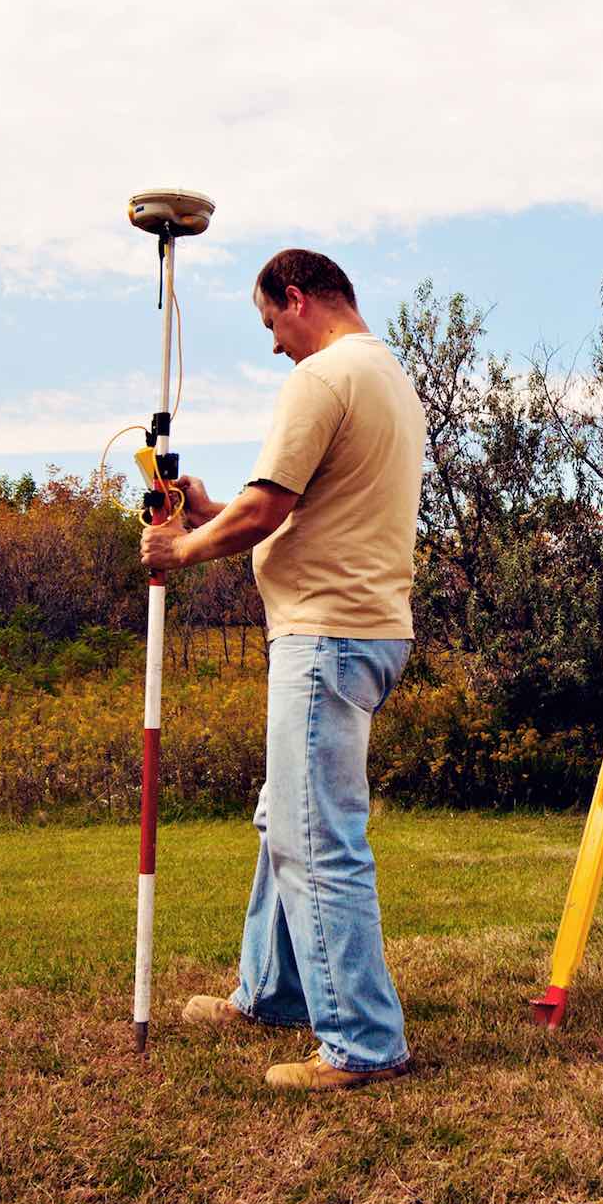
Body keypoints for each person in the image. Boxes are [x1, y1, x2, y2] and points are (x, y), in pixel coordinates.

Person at [139, 248, 424, 1092]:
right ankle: (272, 990)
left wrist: (179, 546)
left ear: (296, 298)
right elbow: (293, 504)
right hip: (366, 629)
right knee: (285, 818)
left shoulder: (322, 376)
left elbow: (270, 509)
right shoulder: (386, 376)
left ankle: (364, 1042)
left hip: (325, 634)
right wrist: (208, 507)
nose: (274, 346)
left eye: (271, 324)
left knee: (317, 837)